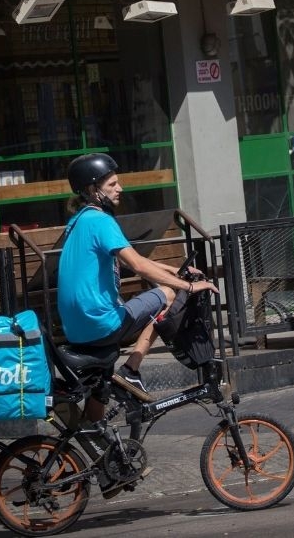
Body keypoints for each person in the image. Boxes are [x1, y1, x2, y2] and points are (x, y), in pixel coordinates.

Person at [57, 153, 218, 417]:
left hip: (77, 329)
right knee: (168, 294)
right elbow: (138, 265)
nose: (120, 189)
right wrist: (188, 286)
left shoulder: (77, 222)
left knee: (100, 393)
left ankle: (92, 438)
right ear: (93, 190)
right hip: (102, 323)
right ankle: (131, 369)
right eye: (112, 184)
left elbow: (131, 258)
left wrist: (172, 269)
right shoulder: (101, 221)